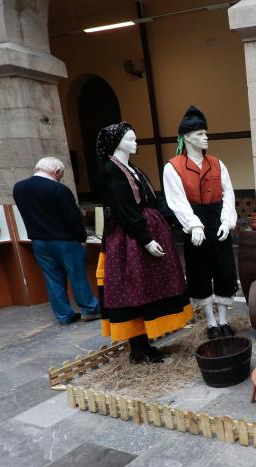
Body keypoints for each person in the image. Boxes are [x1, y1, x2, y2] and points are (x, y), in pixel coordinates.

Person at [95, 122, 193, 363]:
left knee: (147, 289)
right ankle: (137, 348)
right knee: (133, 290)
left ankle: (145, 343)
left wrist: (175, 221)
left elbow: (152, 200)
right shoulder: (111, 171)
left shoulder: (133, 168)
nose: (136, 142)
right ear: (117, 143)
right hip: (129, 242)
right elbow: (124, 209)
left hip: (145, 235)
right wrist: (146, 239)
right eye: (131, 139)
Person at [163, 106, 238, 340]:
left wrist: (227, 221)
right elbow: (176, 200)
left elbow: (228, 193)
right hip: (194, 224)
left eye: (206, 133)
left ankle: (224, 320)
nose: (206, 137)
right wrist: (193, 224)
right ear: (187, 137)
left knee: (224, 270)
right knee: (200, 271)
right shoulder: (173, 167)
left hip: (217, 220)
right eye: (200, 134)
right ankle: (212, 322)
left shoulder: (217, 163)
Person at [13, 157, 100, 325]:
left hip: (39, 241)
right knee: (77, 276)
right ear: (57, 171)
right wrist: (82, 238)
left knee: (53, 279)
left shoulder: (19, 188)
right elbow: (73, 218)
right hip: (65, 241)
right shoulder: (59, 189)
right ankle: (90, 309)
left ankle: (64, 315)